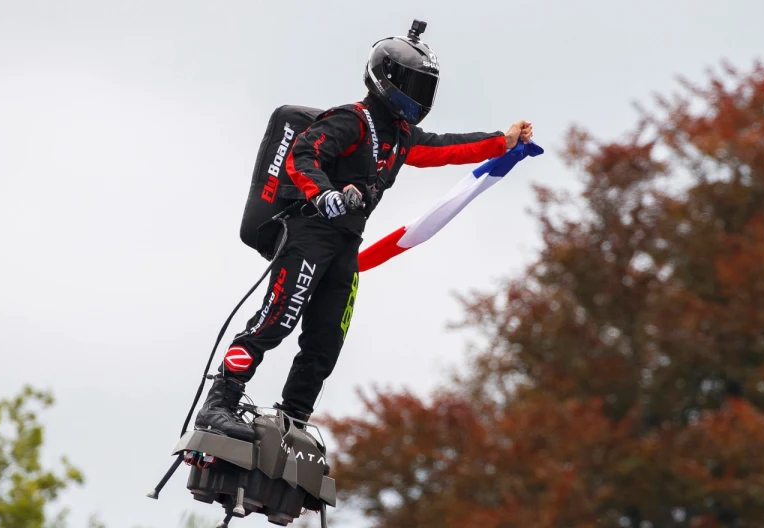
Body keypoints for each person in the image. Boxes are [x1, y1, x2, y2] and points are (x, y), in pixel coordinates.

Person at [196, 21, 533, 441]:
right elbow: (302, 156)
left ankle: (293, 422)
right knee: (276, 320)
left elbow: (445, 147)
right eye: (413, 84)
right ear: (386, 80)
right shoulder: (351, 119)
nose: (419, 96)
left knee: (326, 341)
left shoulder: (401, 137)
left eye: (426, 88)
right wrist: (324, 195)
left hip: (345, 247)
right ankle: (219, 404)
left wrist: (502, 141)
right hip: (310, 232)